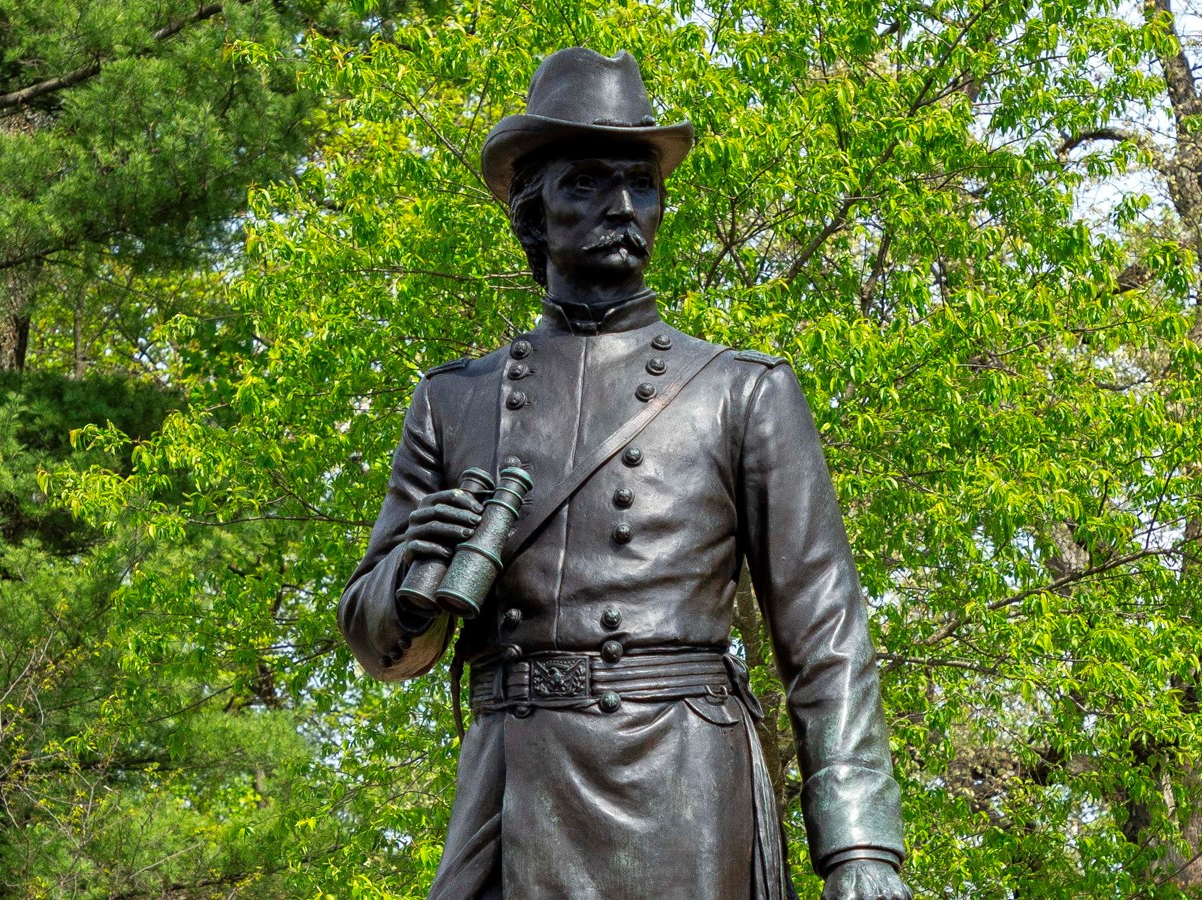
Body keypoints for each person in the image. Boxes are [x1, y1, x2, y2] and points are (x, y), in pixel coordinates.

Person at [338, 47, 911, 900]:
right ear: (532, 212)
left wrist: (861, 847)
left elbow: (827, 633)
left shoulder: (742, 391)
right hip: (512, 786)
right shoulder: (454, 401)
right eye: (587, 183)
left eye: (640, 183)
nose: (622, 207)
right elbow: (381, 648)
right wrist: (409, 584)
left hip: (682, 786)